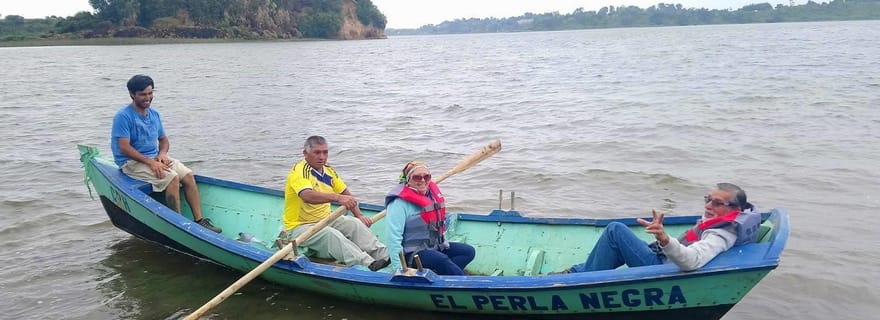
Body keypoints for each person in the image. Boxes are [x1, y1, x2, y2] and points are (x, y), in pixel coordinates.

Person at [556, 182, 760, 273]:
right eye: (708, 199)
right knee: (617, 241)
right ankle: (575, 271)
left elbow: (691, 261)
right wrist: (662, 241)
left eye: (716, 203)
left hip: (660, 267)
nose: (708, 206)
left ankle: (585, 278)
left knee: (615, 230)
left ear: (735, 208)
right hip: (664, 258)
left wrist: (664, 239)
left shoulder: (721, 234)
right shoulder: (726, 218)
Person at [110, 74, 222, 233]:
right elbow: (124, 148)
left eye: (150, 93)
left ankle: (199, 220)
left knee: (188, 175)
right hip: (131, 162)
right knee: (172, 178)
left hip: (154, 157)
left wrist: (162, 154)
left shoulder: (154, 114)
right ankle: (178, 224)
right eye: (142, 94)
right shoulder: (123, 116)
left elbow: (163, 140)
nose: (147, 98)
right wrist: (150, 163)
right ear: (132, 95)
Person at [282, 136, 389, 271]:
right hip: (299, 226)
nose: (322, 157)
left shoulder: (328, 171)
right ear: (305, 154)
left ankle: (385, 256)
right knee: (331, 235)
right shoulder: (299, 172)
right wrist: (336, 198)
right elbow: (307, 196)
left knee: (355, 224)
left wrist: (359, 215)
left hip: (326, 219)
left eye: (325, 152)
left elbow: (347, 195)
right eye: (317, 152)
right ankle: (367, 263)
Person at [384, 161, 475, 275]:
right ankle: (461, 282)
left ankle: (442, 276)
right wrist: (399, 269)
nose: (422, 180)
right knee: (441, 260)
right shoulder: (398, 204)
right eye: (417, 177)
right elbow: (393, 239)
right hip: (413, 254)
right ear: (408, 180)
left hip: (434, 247)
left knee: (468, 251)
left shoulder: (431, 196)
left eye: (426, 177)